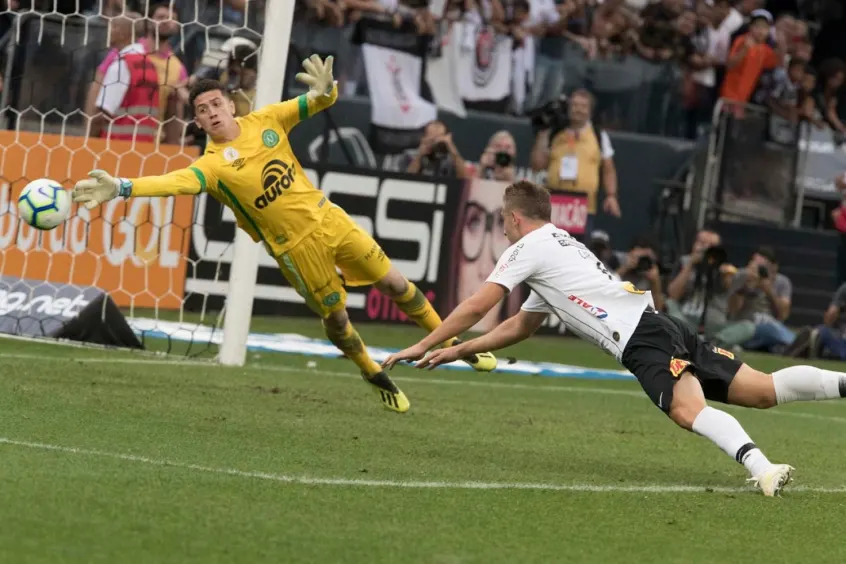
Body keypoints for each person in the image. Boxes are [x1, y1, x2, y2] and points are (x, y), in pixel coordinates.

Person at [71, 54, 497, 414]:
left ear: (230, 105)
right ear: (198, 122)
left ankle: (459, 345)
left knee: (396, 283)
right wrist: (123, 187)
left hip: (329, 219)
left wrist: (327, 89)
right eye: (202, 110)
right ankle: (369, 367)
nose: (212, 112)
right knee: (338, 319)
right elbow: (171, 183)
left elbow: (319, 100)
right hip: (295, 251)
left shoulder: (268, 119)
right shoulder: (212, 166)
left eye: (216, 103)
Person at [383, 180, 846, 496]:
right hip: (661, 324)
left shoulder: (527, 247)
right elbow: (521, 324)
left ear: (516, 219)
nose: (503, 230)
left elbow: (479, 304)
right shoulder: (562, 247)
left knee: (688, 411)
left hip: (641, 339)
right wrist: (459, 350)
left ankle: (763, 470)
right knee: (763, 391)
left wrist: (424, 342)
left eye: (504, 222)